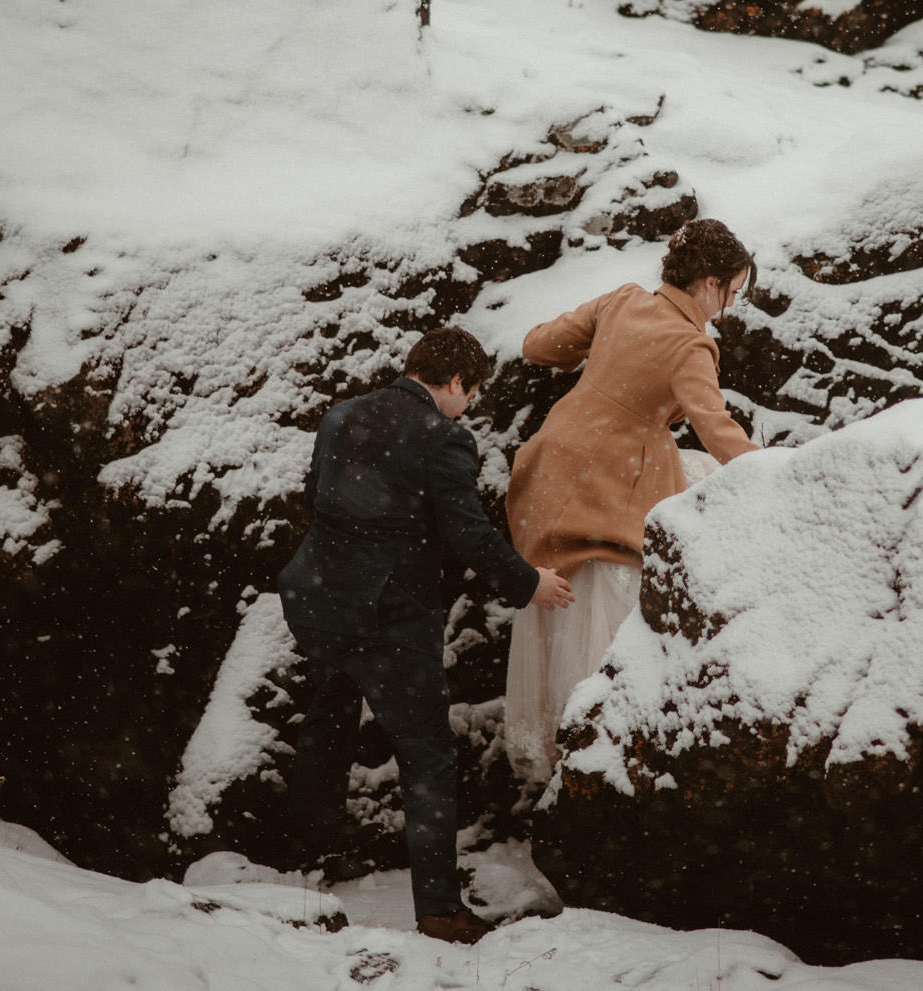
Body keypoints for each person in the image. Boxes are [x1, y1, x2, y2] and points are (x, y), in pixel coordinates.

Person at [277, 326, 574, 946]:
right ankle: (439, 912)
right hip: (385, 614)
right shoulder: (444, 437)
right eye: (472, 393)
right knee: (428, 757)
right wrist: (528, 583)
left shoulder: (341, 416)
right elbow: (468, 533)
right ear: (457, 381)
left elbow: (318, 500)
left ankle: (304, 870)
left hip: (315, 597)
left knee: (327, 723)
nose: (470, 406)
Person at [503, 218, 761, 780]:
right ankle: (594, 762)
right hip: (608, 483)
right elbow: (715, 428)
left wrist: (597, 356)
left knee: (558, 608)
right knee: (605, 631)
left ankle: (553, 754)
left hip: (550, 467)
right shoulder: (693, 345)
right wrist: (768, 473)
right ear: (711, 283)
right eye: (733, 293)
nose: (729, 307)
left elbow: (537, 346)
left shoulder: (621, 300)